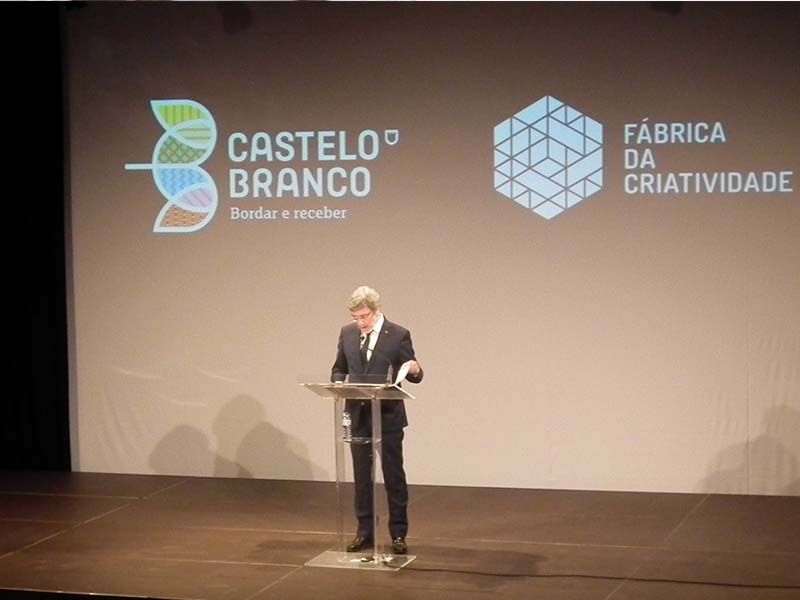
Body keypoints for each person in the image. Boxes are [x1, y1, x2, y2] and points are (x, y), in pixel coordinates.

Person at [331, 286, 423, 555]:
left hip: (388, 416)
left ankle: (398, 533)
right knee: (362, 477)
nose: (359, 322)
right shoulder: (347, 333)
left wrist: (415, 369)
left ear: (376, 310)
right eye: (355, 317)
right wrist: (338, 384)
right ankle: (365, 532)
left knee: (393, 475)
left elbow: (414, 373)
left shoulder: (398, 335)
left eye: (364, 316)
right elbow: (339, 368)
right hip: (358, 415)